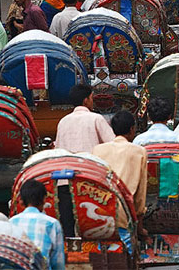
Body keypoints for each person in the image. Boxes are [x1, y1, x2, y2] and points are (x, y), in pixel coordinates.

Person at [91, 110, 147, 248]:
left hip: (98, 213)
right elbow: (140, 195)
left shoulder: (97, 150)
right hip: (124, 215)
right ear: (132, 129)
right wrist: (140, 225)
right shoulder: (139, 151)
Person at [10, 179, 66, 270]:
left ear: (21, 200)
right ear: (44, 200)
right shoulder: (52, 223)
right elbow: (57, 261)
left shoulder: (11, 222)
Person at [54, 84, 115, 152]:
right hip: (90, 161)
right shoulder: (96, 118)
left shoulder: (63, 121)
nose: (92, 101)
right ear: (86, 101)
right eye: (91, 98)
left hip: (69, 161)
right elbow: (112, 143)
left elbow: (58, 148)